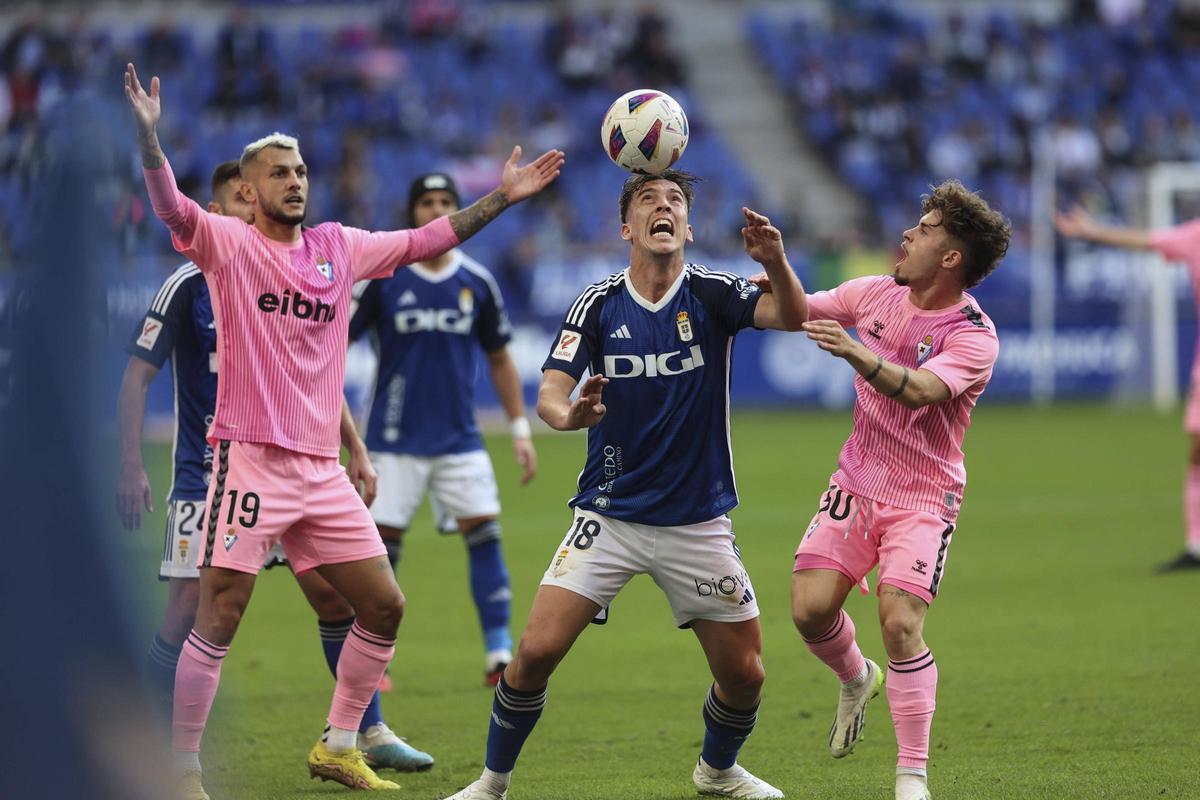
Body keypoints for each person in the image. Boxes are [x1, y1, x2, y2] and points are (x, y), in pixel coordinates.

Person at [124, 62, 563, 799]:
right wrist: (149, 139)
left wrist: (502, 199)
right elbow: (171, 208)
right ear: (250, 191)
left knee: (383, 605)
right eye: (278, 173)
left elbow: (428, 240)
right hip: (250, 461)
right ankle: (182, 769)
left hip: (320, 470)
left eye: (300, 170)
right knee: (220, 612)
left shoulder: (339, 247)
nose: (295, 181)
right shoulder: (228, 247)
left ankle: (338, 743)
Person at [444, 170, 809, 800]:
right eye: (648, 200)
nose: (662, 208)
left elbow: (792, 316)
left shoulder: (714, 293)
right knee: (531, 655)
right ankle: (491, 784)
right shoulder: (598, 303)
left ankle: (717, 773)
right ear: (627, 228)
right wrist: (571, 416)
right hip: (610, 516)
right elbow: (551, 394)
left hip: (697, 520)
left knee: (745, 673)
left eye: (674, 203)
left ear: (688, 228)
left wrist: (775, 260)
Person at [116, 159, 435, 774]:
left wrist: (355, 446)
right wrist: (131, 461)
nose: (246, 222)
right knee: (192, 611)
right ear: (220, 213)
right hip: (207, 475)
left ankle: (361, 734)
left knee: (335, 599)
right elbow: (137, 373)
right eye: (235, 210)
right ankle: (149, 733)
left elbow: (311, 373)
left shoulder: (283, 269)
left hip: (295, 473)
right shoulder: (190, 282)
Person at [772, 180, 1010, 800]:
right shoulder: (874, 293)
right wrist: (774, 260)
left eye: (926, 228)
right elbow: (796, 309)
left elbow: (926, 390)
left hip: (925, 498)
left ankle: (911, 774)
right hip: (858, 478)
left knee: (900, 622)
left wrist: (854, 352)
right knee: (809, 611)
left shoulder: (973, 334)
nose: (908, 234)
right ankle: (856, 677)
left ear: (952, 257)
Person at [348, 172, 536, 686]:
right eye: (426, 201)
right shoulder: (385, 278)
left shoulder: (477, 281)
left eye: (446, 202)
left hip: (460, 439)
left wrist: (520, 428)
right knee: (380, 551)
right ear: (410, 213)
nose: (435, 210)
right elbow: (333, 343)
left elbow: (500, 359)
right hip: (392, 438)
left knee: (486, 535)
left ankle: (498, 654)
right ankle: (373, 657)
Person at [1054, 204, 1200, 572]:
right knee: (1198, 452)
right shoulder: (1195, 235)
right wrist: (1090, 231)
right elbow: (1146, 241)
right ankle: (1196, 545)